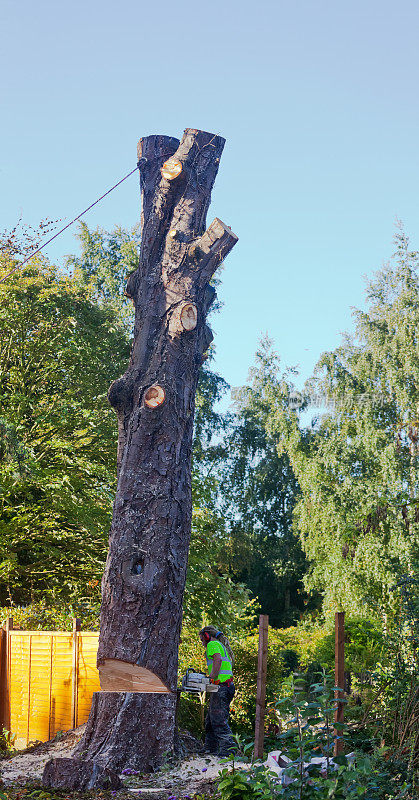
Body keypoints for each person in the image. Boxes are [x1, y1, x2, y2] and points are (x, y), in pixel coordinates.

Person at [199, 625, 237, 757]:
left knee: (218, 720)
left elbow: (218, 660)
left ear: (206, 636)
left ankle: (229, 750)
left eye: (202, 640)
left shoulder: (213, 644)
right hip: (225, 686)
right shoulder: (220, 644)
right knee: (211, 718)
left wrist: (211, 677)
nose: (202, 643)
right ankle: (210, 747)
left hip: (220, 687)